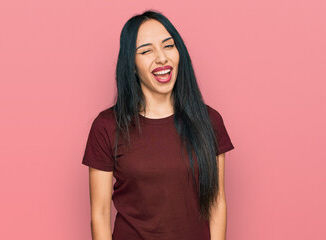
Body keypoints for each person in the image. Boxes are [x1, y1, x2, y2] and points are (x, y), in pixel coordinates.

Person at [82, 10, 235, 240]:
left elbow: (217, 202)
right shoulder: (106, 126)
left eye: (168, 46)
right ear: (131, 65)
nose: (161, 58)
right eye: (146, 51)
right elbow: (100, 215)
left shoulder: (209, 121)